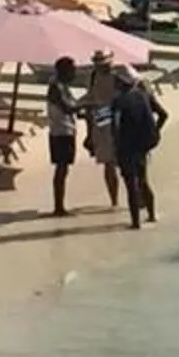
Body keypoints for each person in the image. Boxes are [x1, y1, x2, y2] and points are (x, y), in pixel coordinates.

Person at [110, 69, 167, 228]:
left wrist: (115, 147)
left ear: (121, 83)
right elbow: (163, 115)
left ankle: (135, 222)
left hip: (126, 147)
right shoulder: (144, 96)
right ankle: (151, 215)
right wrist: (155, 132)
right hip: (142, 146)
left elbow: (115, 126)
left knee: (131, 185)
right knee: (143, 181)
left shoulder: (118, 101)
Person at [84, 55, 125, 208]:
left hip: (116, 119)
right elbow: (90, 103)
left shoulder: (118, 76)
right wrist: (89, 132)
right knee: (109, 163)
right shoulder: (93, 76)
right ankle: (114, 200)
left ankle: (132, 195)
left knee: (122, 162)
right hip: (102, 121)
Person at [44, 56, 83, 216]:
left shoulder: (62, 86)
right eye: (72, 70)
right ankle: (58, 207)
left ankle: (59, 205)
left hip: (65, 130)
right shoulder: (56, 88)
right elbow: (68, 108)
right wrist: (87, 103)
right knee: (61, 169)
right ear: (64, 71)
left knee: (63, 169)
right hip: (60, 132)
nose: (74, 73)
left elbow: (73, 107)